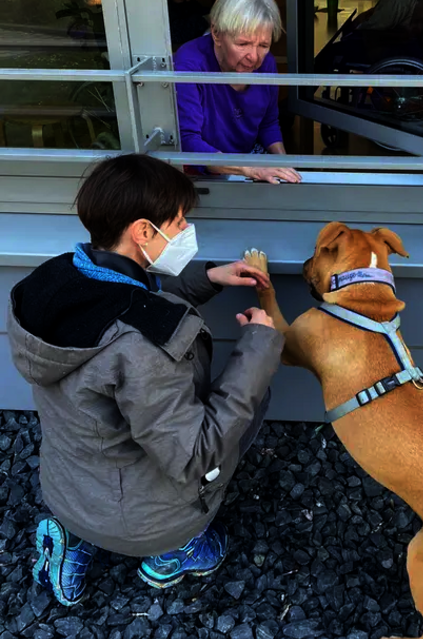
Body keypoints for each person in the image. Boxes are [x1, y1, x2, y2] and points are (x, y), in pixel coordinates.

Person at [7, 153, 283, 606]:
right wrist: (257, 347)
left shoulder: (52, 282)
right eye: (177, 223)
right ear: (142, 232)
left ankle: (75, 538)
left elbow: (126, 299)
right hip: (146, 518)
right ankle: (171, 551)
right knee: (251, 401)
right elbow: (194, 453)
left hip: (68, 488)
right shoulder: (145, 349)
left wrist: (206, 278)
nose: (184, 232)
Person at [174, 0, 301, 185]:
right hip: (203, 168)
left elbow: (268, 123)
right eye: (243, 44)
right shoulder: (189, 64)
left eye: (263, 45)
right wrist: (248, 168)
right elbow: (188, 140)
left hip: (247, 159)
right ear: (216, 33)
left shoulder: (266, 63)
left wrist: (284, 165)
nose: (254, 57)